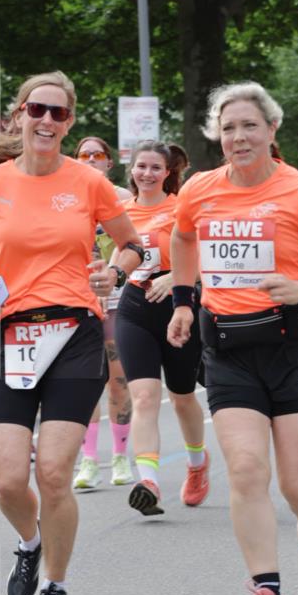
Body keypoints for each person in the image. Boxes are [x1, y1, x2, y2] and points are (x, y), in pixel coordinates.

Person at [0, 71, 143, 595]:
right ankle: (30, 542)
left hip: (74, 333)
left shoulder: (89, 183)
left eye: (59, 114)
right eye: (37, 110)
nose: (47, 122)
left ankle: (55, 587)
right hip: (8, 336)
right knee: (9, 480)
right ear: (19, 115)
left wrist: (115, 272)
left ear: (70, 121)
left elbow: (133, 245)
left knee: (54, 473)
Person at [167, 82, 298, 595]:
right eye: (228, 128)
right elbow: (182, 241)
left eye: (249, 126)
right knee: (247, 469)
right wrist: (183, 301)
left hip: (292, 346)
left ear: (272, 130)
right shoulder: (199, 191)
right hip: (227, 350)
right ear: (216, 137)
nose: (238, 137)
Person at [114, 140, 209, 516]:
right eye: (141, 166)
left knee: (183, 395)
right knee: (143, 398)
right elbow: (115, 255)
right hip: (135, 307)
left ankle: (198, 465)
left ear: (168, 172)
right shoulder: (120, 212)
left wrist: (176, 277)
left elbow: (203, 254)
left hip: (178, 308)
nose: (147, 174)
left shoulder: (181, 208)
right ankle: (148, 480)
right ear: (132, 170)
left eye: (156, 167)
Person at [72, 136, 134, 489]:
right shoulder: (64, 198)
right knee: (82, 383)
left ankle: (121, 456)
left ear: (109, 163)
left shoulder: (122, 199)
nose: (92, 159)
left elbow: (134, 243)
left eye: (98, 155)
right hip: (78, 301)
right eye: (84, 155)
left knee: (118, 378)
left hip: (116, 299)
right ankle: (89, 460)